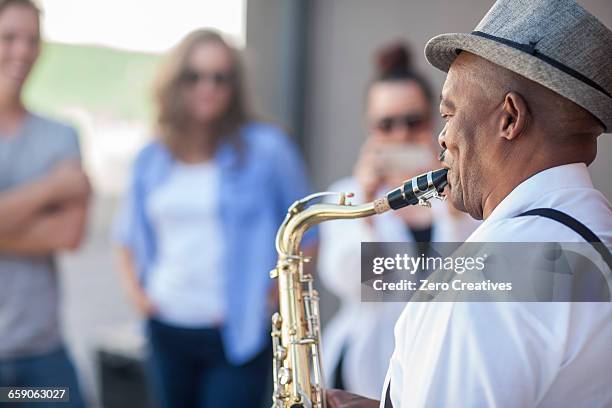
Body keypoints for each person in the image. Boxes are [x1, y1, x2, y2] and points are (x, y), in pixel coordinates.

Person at [326, 0, 612, 407]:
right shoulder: (595, 229)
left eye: (449, 113)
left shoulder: (493, 272)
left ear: (509, 119)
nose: (442, 138)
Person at [113, 29, 314, 408]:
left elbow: (307, 232)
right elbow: (126, 235)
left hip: (237, 334)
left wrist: (270, 301)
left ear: (234, 86)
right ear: (176, 82)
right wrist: (140, 298)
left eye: (220, 77)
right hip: (167, 326)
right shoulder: (152, 157)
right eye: (195, 76)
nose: (208, 87)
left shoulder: (269, 149)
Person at [318, 42, 477, 399]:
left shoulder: (465, 196)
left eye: (413, 121)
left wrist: (453, 204)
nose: (401, 134)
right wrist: (366, 211)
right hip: (363, 367)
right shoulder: (345, 196)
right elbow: (347, 279)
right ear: (369, 128)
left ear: (434, 121)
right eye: (386, 124)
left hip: (438, 366)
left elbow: (477, 283)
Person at [0, 0, 89, 406]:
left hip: (41, 355)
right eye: (9, 38)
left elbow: (69, 234)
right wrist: (50, 189)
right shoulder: (58, 169)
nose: (22, 51)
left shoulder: (61, 135)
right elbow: (54, 220)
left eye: (31, 40)